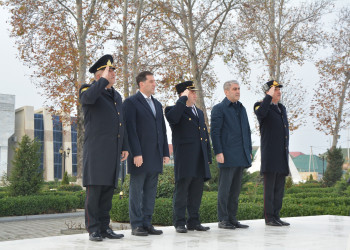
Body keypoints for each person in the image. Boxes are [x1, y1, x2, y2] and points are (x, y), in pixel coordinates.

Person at [79, 54, 129, 241]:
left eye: (114, 71)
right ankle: (93, 229)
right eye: (109, 71)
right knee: (95, 192)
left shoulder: (116, 95)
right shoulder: (88, 89)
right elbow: (88, 100)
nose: (113, 74)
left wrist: (124, 145)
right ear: (99, 75)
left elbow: (121, 123)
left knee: (108, 192)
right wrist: (101, 82)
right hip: (96, 151)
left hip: (113, 150)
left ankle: (104, 227)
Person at [123, 71, 170, 236]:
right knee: (136, 191)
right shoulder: (130, 102)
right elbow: (131, 130)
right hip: (139, 156)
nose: (154, 84)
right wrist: (136, 152)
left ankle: (147, 223)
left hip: (155, 155)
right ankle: (136, 225)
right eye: (151, 81)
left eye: (154, 81)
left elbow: (162, 130)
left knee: (150, 192)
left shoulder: (157, 104)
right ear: (141, 84)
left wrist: (165, 152)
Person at [165, 81, 211, 233]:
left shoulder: (199, 112)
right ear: (183, 94)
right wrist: (182, 100)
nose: (195, 95)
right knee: (182, 192)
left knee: (196, 192)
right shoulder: (174, 109)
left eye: (194, 92)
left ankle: (194, 221)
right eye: (191, 92)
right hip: (185, 158)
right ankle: (179, 222)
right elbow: (173, 119)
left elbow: (204, 135)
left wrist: (208, 156)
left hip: (199, 158)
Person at [211, 80, 252, 230]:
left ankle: (233, 218)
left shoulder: (242, 109)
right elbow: (215, 133)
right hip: (226, 155)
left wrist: (248, 150)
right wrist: (218, 152)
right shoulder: (219, 109)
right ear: (226, 92)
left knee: (235, 190)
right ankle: (223, 219)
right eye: (234, 89)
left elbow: (247, 131)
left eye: (239, 89)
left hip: (240, 155)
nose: (238, 91)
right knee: (225, 189)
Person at [254, 80, 290, 227]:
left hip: (282, 155)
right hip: (270, 155)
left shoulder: (281, 108)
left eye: (279, 89)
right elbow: (261, 114)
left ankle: (276, 215)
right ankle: (269, 218)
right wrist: (267, 98)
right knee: (269, 189)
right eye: (275, 90)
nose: (279, 92)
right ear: (268, 92)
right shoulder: (260, 105)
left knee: (279, 189)